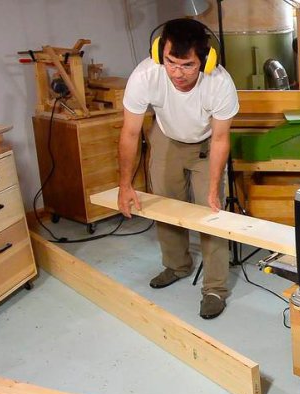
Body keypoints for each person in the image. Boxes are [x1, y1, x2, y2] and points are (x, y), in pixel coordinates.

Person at [117, 18, 239, 319]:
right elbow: (130, 133)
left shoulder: (220, 83)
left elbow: (220, 139)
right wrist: (125, 185)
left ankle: (215, 288)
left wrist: (214, 188)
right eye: (170, 62)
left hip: (205, 143)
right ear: (159, 53)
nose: (176, 73)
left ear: (206, 60)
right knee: (165, 205)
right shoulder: (145, 75)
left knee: (211, 214)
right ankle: (177, 265)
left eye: (187, 65)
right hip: (166, 137)